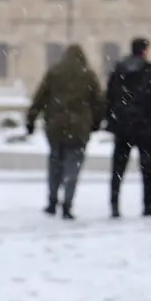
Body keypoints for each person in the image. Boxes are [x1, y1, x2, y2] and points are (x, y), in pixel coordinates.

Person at [26, 43, 104, 219]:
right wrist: (96, 123)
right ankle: (67, 203)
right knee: (73, 167)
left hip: (55, 126)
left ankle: (52, 201)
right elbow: (98, 102)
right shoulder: (88, 75)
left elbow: (40, 97)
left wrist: (31, 118)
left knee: (55, 164)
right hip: (79, 129)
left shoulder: (54, 73)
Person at [105, 37, 151, 218]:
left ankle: (114, 203)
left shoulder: (119, 71)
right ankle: (148, 203)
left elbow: (110, 97)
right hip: (145, 127)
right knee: (147, 169)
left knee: (118, 168)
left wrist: (113, 120)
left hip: (123, 126)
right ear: (145, 50)